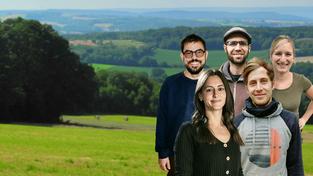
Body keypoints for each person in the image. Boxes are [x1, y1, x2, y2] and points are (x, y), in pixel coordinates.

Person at [234, 57, 304, 175]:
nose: (259, 88)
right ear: (247, 89)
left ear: (272, 84)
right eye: (253, 83)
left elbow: (295, 166)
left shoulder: (290, 121)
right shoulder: (236, 124)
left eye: (263, 81)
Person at [155, 34, 208, 175]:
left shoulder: (215, 84)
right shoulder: (170, 84)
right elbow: (162, 119)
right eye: (189, 53)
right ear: (182, 56)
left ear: (206, 55)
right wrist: (162, 152)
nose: (194, 57)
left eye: (199, 52)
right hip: (175, 154)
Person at [174, 69, 244, 176]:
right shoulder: (189, 131)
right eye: (209, 90)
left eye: (220, 89)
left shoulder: (233, 130)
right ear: (200, 95)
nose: (216, 94)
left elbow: (238, 172)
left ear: (226, 94)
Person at [270, 35, 313, 130]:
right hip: (266, 139)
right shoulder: (262, 81)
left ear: (293, 58)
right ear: (271, 56)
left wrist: (304, 119)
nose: (282, 59)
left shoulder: (300, 81)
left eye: (288, 54)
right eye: (278, 54)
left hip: (293, 140)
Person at [220, 26, 252, 116]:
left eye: (242, 43)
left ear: (249, 47)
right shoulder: (216, 79)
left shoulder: (257, 80)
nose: (238, 48)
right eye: (233, 43)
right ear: (225, 48)